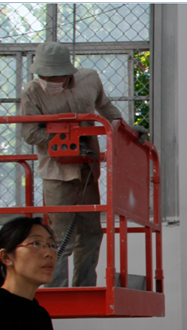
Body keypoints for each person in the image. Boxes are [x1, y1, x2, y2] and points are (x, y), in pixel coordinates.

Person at [20, 41, 123, 288]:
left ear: (67, 73)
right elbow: (30, 133)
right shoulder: (32, 92)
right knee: (59, 237)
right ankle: (56, 289)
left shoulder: (90, 79)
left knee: (91, 233)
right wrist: (65, 138)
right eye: (43, 76)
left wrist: (124, 127)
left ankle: (84, 287)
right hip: (57, 172)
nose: (48, 81)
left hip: (87, 170)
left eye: (53, 76)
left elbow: (104, 106)